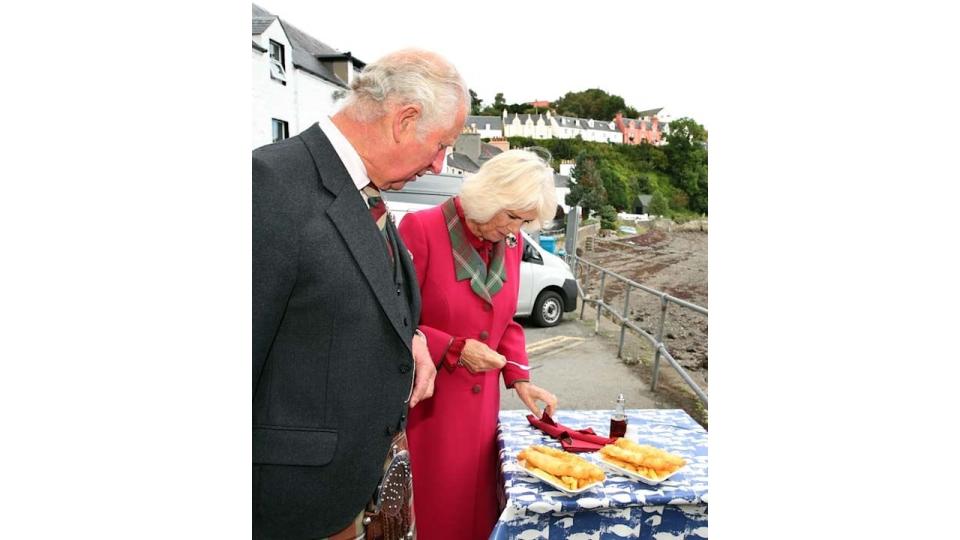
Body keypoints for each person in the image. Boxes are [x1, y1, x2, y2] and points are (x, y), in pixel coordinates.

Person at [253, 48, 468, 539]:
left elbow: (342, 297)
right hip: (291, 511)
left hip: (352, 495)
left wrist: (409, 338)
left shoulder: (363, 190)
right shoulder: (266, 185)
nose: (438, 165)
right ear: (404, 119)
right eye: (440, 145)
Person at [397, 149, 561, 539]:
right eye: (512, 216)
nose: (514, 230)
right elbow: (393, 320)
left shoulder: (512, 242)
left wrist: (520, 377)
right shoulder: (420, 229)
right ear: (489, 195)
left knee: (476, 518)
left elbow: (505, 323)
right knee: (434, 516)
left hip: (482, 416)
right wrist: (454, 347)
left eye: (523, 222)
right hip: (430, 412)